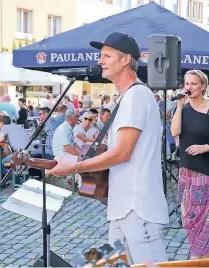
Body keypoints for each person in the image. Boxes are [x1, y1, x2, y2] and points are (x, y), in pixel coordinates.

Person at [45, 32, 169, 265]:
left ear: (125, 60)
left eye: (106, 56)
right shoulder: (126, 97)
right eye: (100, 56)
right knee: (105, 260)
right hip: (123, 207)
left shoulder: (136, 96)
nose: (99, 61)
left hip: (137, 207)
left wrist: (75, 166)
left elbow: (123, 153)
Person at [170, 70, 209, 259]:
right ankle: (205, 262)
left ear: (203, 86)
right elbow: (174, 132)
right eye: (187, 84)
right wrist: (179, 107)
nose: (189, 88)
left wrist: (205, 147)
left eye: (194, 84)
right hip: (185, 173)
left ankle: (195, 261)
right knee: (189, 222)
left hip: (205, 173)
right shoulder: (183, 109)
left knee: (202, 223)